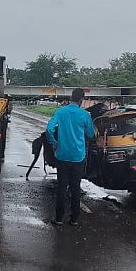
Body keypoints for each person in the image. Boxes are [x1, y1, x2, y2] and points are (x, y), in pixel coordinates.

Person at [46, 88, 95, 226]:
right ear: (81, 100)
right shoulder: (85, 114)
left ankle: (59, 218)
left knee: (62, 186)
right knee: (75, 187)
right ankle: (74, 219)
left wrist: (53, 143)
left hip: (62, 155)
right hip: (78, 157)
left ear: (70, 98)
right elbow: (90, 134)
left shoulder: (60, 112)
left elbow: (49, 129)